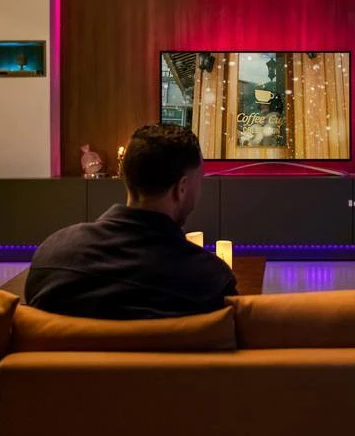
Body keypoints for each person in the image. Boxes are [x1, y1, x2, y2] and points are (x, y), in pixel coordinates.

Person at [25, 124, 236, 319]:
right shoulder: (211, 281)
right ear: (182, 188)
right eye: (200, 179)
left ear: (126, 176)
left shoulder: (51, 260)